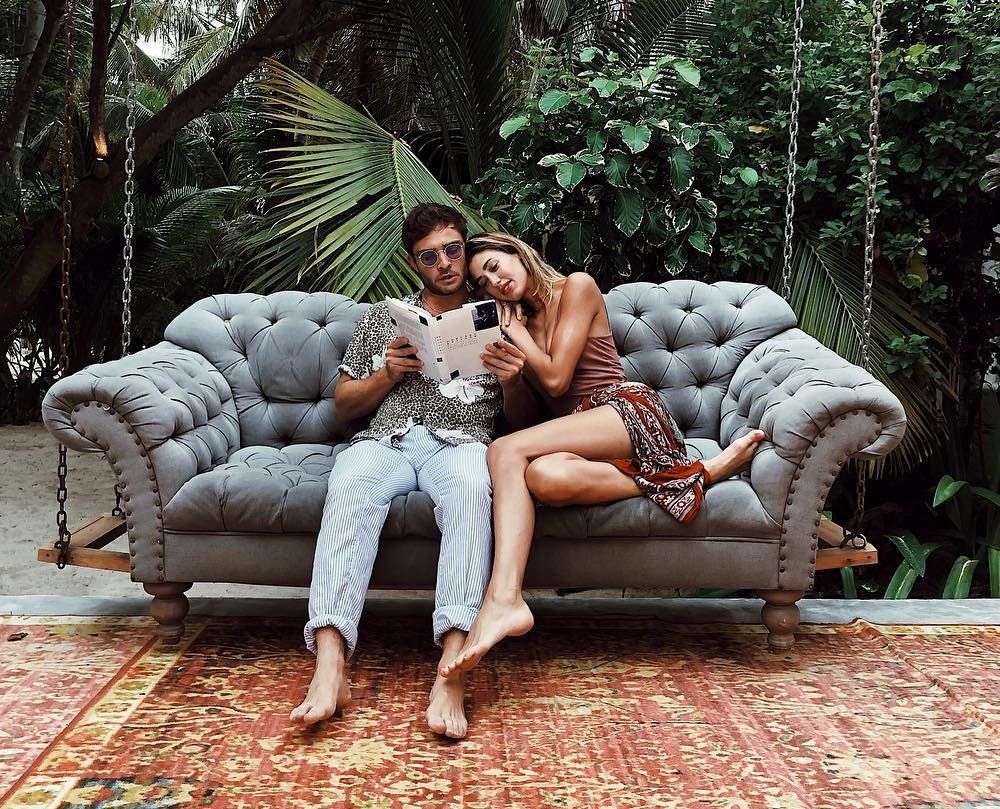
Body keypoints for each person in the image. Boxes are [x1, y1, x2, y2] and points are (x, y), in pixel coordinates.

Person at [439, 233, 766, 677]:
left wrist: (516, 335)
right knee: (545, 478)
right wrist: (511, 380)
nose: (494, 282)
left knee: (502, 450)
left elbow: (557, 379)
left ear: (517, 253)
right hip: (579, 434)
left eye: (495, 266)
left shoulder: (576, 287)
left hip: (625, 411)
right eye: (482, 282)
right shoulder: (515, 327)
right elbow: (527, 420)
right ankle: (695, 474)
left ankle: (504, 598)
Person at [290, 207, 535, 738]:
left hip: (463, 442)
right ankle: (330, 664)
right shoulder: (386, 317)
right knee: (350, 485)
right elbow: (343, 406)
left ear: (465, 249)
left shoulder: (501, 317)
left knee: (472, 491)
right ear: (413, 263)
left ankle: (453, 667)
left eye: (452, 250)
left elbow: (521, 423)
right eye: (429, 256)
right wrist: (387, 374)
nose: (444, 263)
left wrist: (513, 381)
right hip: (389, 438)